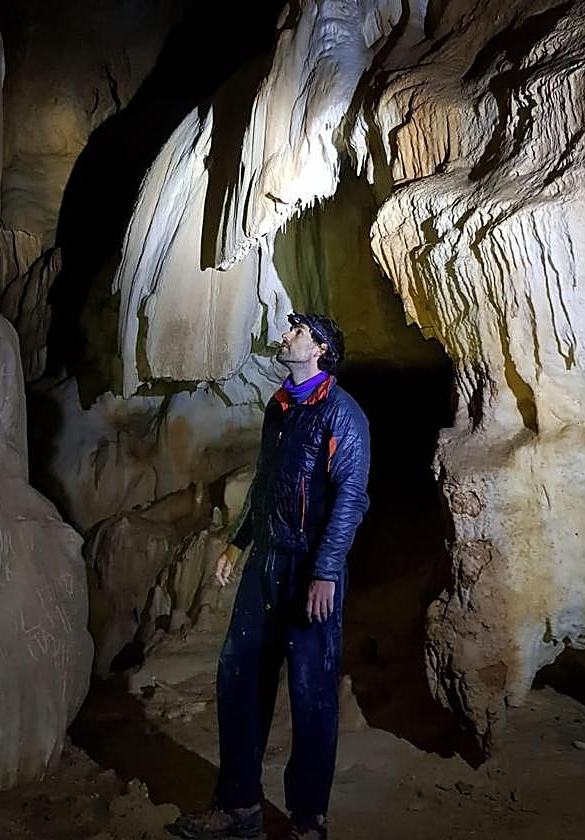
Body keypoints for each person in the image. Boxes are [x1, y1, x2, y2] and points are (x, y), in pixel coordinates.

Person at [173, 313, 371, 840]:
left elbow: (350, 498)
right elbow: (265, 483)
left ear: (321, 349)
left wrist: (326, 571)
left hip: (311, 566)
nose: (286, 336)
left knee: (311, 695)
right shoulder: (280, 409)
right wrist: (238, 544)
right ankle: (239, 806)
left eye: (298, 332)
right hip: (267, 565)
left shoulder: (341, 414)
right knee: (238, 679)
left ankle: (309, 820)